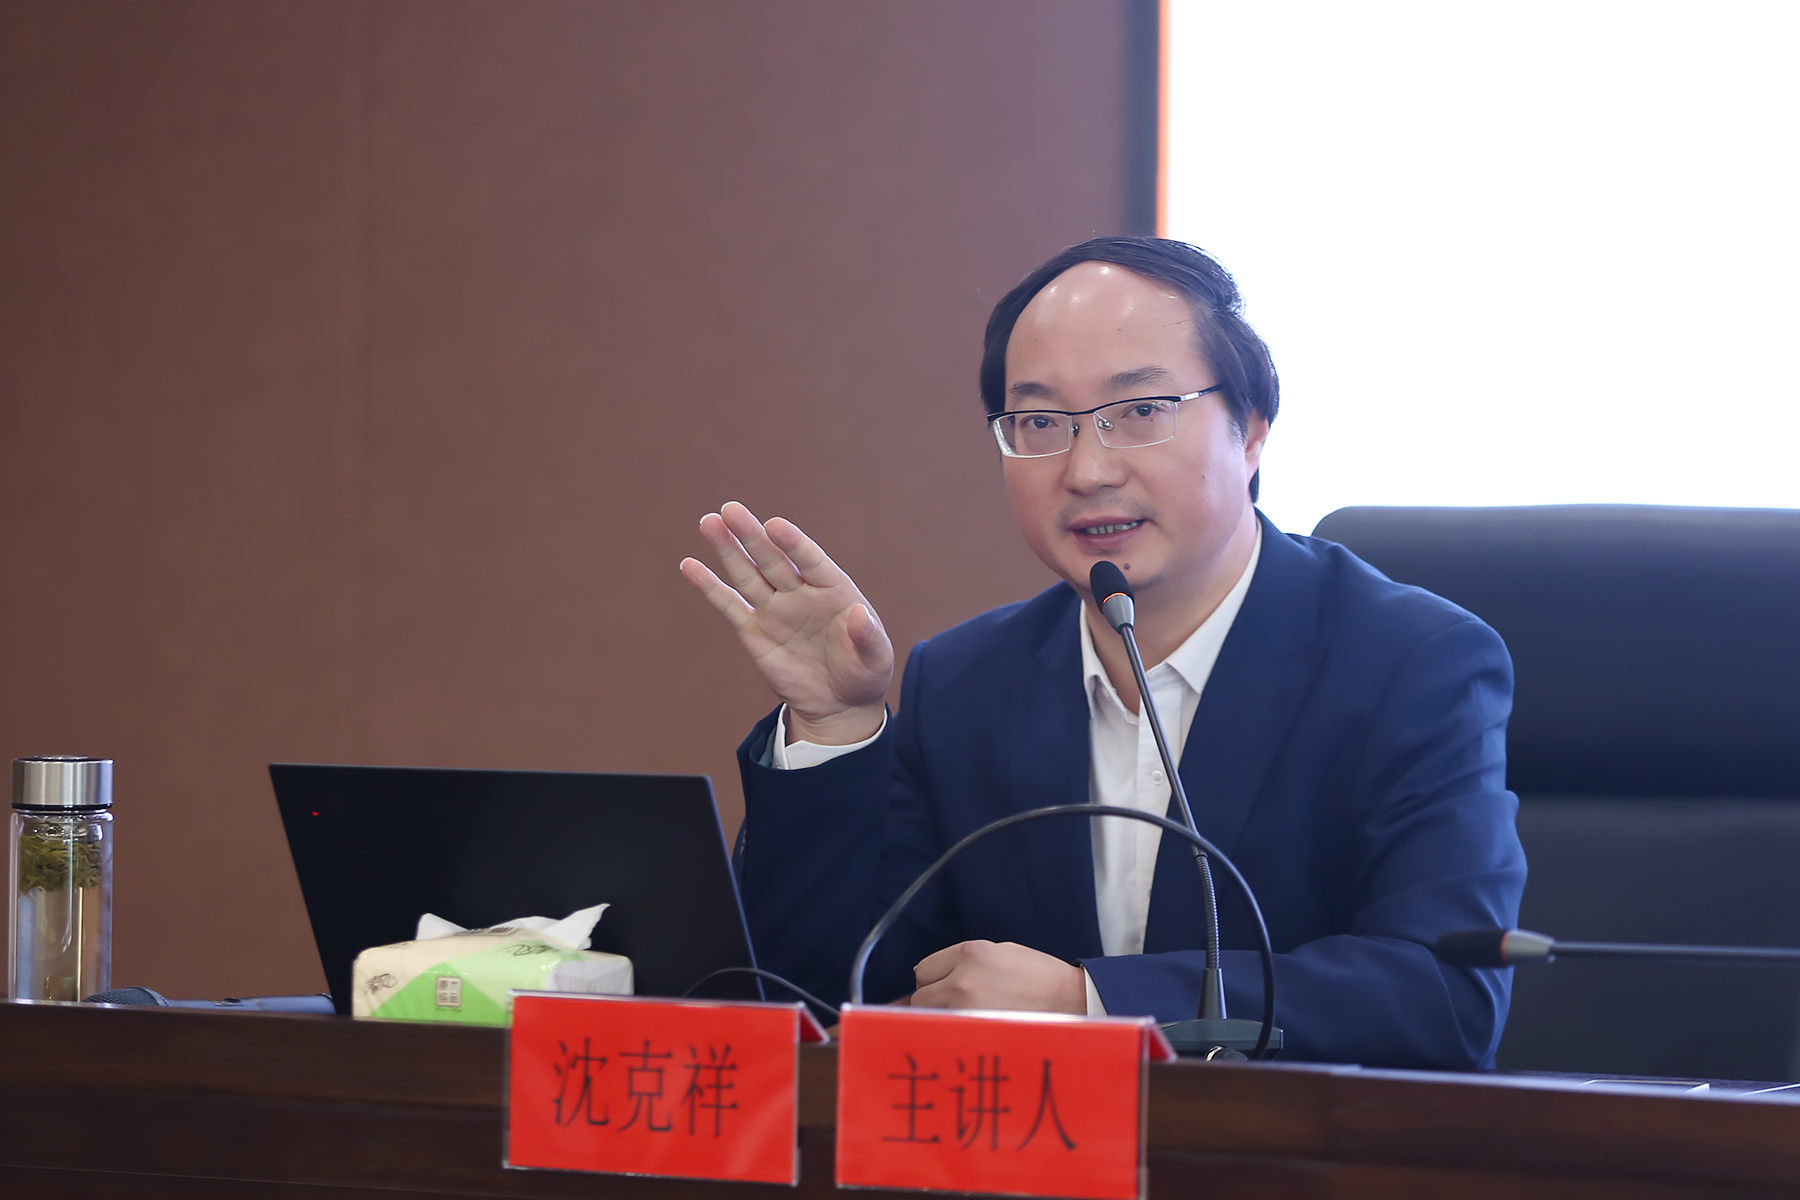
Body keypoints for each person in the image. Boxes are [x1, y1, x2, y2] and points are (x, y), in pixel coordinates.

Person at [678, 237, 1525, 1068]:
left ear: (1252, 430)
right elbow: (821, 1003)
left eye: (1141, 412)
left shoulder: (1412, 664)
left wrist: (1093, 1003)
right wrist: (834, 726)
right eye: (1039, 422)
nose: (1087, 470)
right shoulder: (966, 682)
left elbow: (1444, 996)